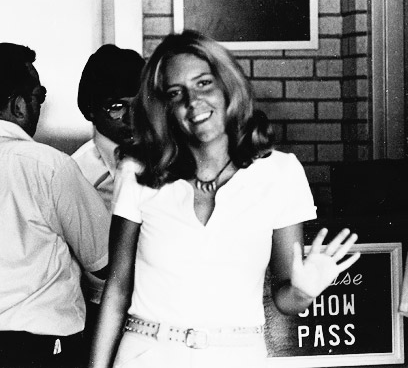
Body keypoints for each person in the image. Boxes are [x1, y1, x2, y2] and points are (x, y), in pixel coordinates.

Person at [89, 30, 360, 368]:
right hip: (147, 353)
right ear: (164, 108)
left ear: (227, 86)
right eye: (176, 93)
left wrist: (304, 291)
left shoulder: (280, 173)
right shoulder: (140, 171)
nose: (193, 102)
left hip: (237, 355)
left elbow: (284, 295)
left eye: (203, 84)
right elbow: (116, 290)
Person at [0, 43, 110, 368]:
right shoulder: (47, 166)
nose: (37, 107)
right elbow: (103, 261)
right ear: (19, 105)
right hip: (39, 347)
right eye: (39, 96)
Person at [72, 44, 145, 349]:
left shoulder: (167, 159)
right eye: (116, 107)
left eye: (138, 104)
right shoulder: (76, 171)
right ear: (90, 109)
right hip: (98, 308)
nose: (131, 117)